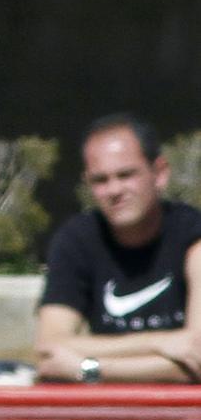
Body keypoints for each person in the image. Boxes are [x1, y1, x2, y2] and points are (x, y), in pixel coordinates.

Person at [35, 114, 201, 384]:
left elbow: (199, 354)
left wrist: (89, 368)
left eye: (126, 175)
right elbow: (49, 347)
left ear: (159, 173)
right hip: (111, 411)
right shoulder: (76, 240)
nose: (114, 190)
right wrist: (163, 342)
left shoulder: (193, 236)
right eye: (101, 180)